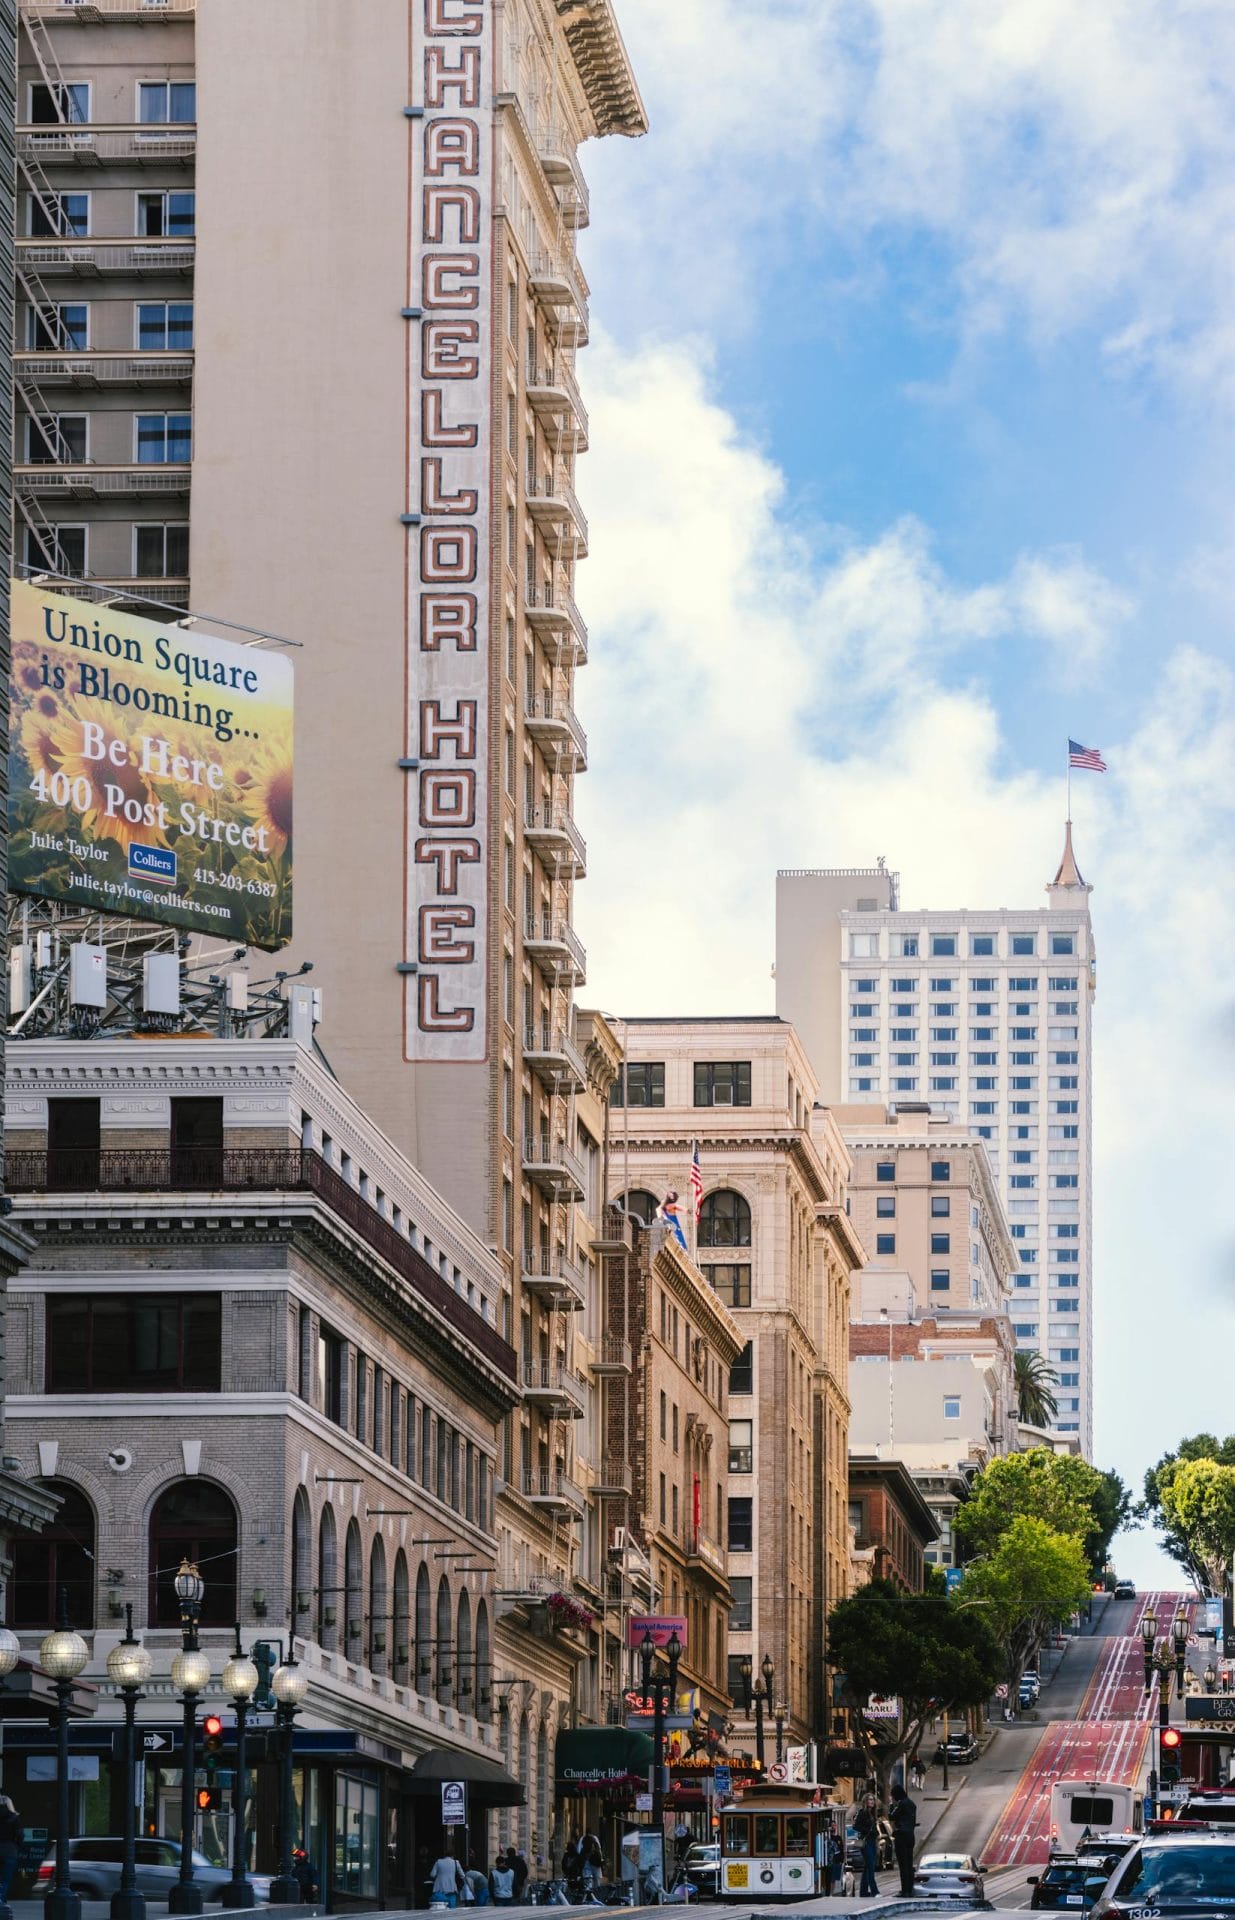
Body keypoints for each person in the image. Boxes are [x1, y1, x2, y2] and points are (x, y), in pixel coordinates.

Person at [889, 1782, 918, 1897]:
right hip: (911, 1836)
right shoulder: (912, 1804)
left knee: (903, 1865)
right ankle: (910, 1889)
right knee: (909, 1863)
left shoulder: (901, 1804)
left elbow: (891, 1816)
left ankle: (904, 1890)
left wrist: (892, 1805)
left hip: (901, 1836)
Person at [853, 1793, 882, 1899]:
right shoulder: (862, 1813)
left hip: (872, 1841)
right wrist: (867, 1831)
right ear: (865, 1801)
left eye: (873, 1800)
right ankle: (875, 1891)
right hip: (865, 1843)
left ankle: (863, 1892)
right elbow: (855, 1826)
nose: (872, 1802)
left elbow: (874, 1827)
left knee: (867, 1867)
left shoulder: (873, 1814)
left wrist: (876, 1833)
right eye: (870, 1800)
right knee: (870, 1867)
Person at [0, 1796, 21, 1905]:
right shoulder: (14, 1818)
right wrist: (16, 1847)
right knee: (5, 1880)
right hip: (9, 1851)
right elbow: (19, 1836)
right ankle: (1, 1902)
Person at [578, 1831, 605, 1906]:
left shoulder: (582, 1839)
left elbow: (579, 1850)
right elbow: (599, 1851)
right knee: (597, 1880)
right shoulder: (595, 1839)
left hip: (586, 1861)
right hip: (595, 1862)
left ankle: (588, 1896)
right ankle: (597, 1896)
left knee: (587, 1880)